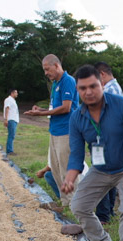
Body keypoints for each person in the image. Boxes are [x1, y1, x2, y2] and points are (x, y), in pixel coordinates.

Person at [63, 65, 123, 241]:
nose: (88, 92)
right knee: (79, 205)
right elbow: (77, 153)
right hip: (100, 169)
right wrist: (70, 177)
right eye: (83, 88)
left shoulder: (122, 105)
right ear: (78, 91)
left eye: (93, 86)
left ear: (101, 83)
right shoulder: (77, 118)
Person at [25, 55, 80, 205]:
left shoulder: (67, 81)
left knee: (65, 168)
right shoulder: (56, 84)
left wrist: (41, 114)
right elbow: (54, 107)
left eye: (47, 69)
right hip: (54, 130)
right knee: (55, 168)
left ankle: (74, 203)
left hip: (66, 131)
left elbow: (66, 107)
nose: (46, 73)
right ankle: (65, 202)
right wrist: (41, 109)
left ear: (56, 65)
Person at [93, 61, 122, 224]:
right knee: (111, 177)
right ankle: (109, 211)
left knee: (102, 177)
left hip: (107, 141)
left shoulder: (109, 90)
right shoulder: (115, 88)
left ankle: (103, 215)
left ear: (102, 75)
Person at [2, 88, 19, 156]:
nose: (17, 94)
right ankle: (9, 151)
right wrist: (6, 119)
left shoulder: (13, 100)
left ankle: (10, 150)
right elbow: (7, 108)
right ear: (12, 93)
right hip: (11, 119)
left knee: (12, 135)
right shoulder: (8, 100)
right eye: (16, 92)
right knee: (11, 135)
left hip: (14, 119)